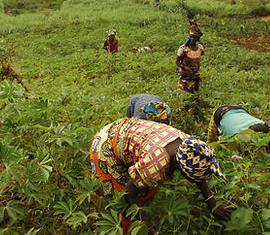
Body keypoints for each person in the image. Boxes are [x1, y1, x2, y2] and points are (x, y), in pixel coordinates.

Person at [89, 118, 231, 233]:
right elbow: (130, 191)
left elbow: (196, 169)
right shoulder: (157, 163)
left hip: (126, 127)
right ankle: (112, 227)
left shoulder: (188, 144)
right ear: (180, 169)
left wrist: (212, 202)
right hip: (106, 145)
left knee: (146, 188)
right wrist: (150, 230)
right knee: (124, 199)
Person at [176, 20, 204, 93]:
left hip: (195, 78)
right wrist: (185, 68)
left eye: (194, 37)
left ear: (198, 38)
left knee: (195, 99)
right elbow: (177, 62)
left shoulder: (200, 48)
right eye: (191, 37)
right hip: (185, 78)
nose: (192, 39)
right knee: (183, 100)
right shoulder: (183, 49)